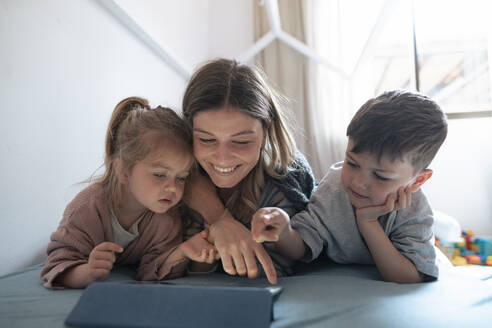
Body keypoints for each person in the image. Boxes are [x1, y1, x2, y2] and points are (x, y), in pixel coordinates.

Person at [251, 90, 448, 283]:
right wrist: (284, 232)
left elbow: (409, 277)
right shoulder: (334, 188)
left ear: (418, 181)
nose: (358, 183)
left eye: (381, 176)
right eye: (352, 163)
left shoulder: (415, 211)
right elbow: (301, 247)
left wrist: (368, 223)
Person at [41, 97, 217, 289]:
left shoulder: (166, 218)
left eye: (181, 178)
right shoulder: (87, 209)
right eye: (159, 175)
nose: (173, 188)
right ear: (124, 170)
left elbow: (152, 272)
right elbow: (57, 264)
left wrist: (182, 252)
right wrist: (88, 271)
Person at [181, 58, 316, 284]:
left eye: (242, 141)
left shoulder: (283, 180)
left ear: (266, 131)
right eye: (206, 139)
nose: (223, 158)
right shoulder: (172, 174)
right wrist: (219, 222)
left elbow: (273, 269)